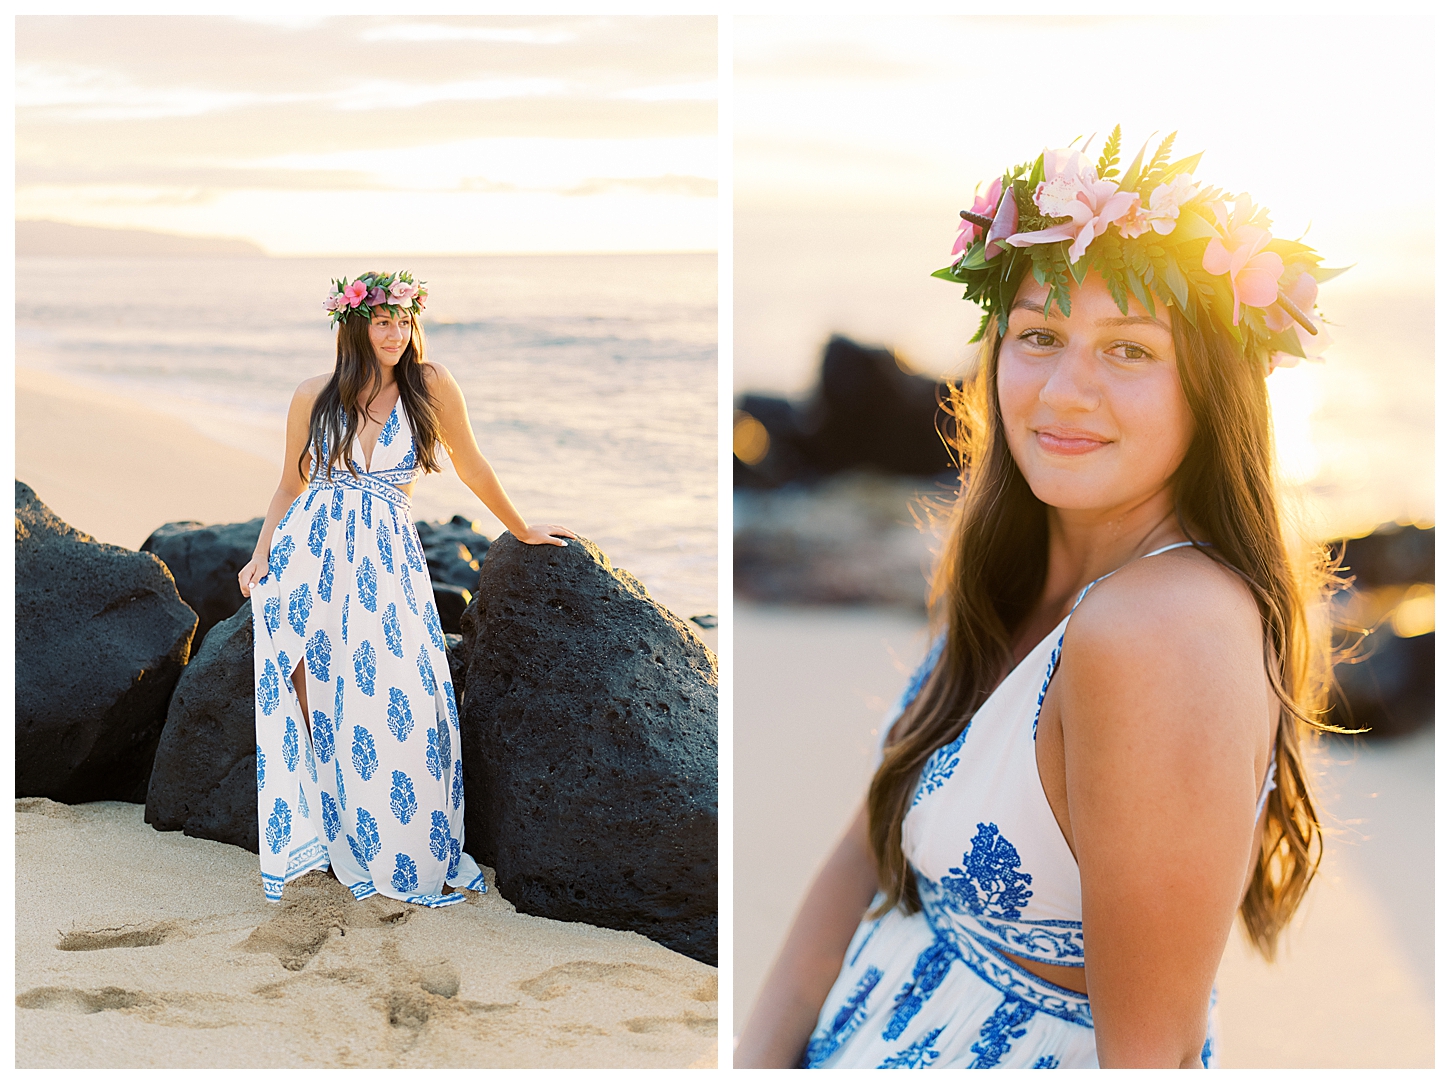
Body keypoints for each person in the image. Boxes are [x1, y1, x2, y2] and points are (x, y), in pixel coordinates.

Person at [735, 130, 1342, 1068]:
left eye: (1130, 350)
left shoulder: (1158, 631)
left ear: (1215, 389)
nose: (1065, 390)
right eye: (1040, 335)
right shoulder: (1012, 572)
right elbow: (868, 851)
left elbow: (1154, 1054)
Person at [239, 270, 575, 909]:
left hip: (388, 561)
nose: (395, 333)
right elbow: (290, 484)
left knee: (409, 697)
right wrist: (260, 557)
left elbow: (471, 463)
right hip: (312, 555)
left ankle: (405, 846)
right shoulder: (314, 395)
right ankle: (340, 841)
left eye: (403, 320)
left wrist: (520, 527)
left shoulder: (432, 386)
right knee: (319, 700)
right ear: (355, 325)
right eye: (382, 320)